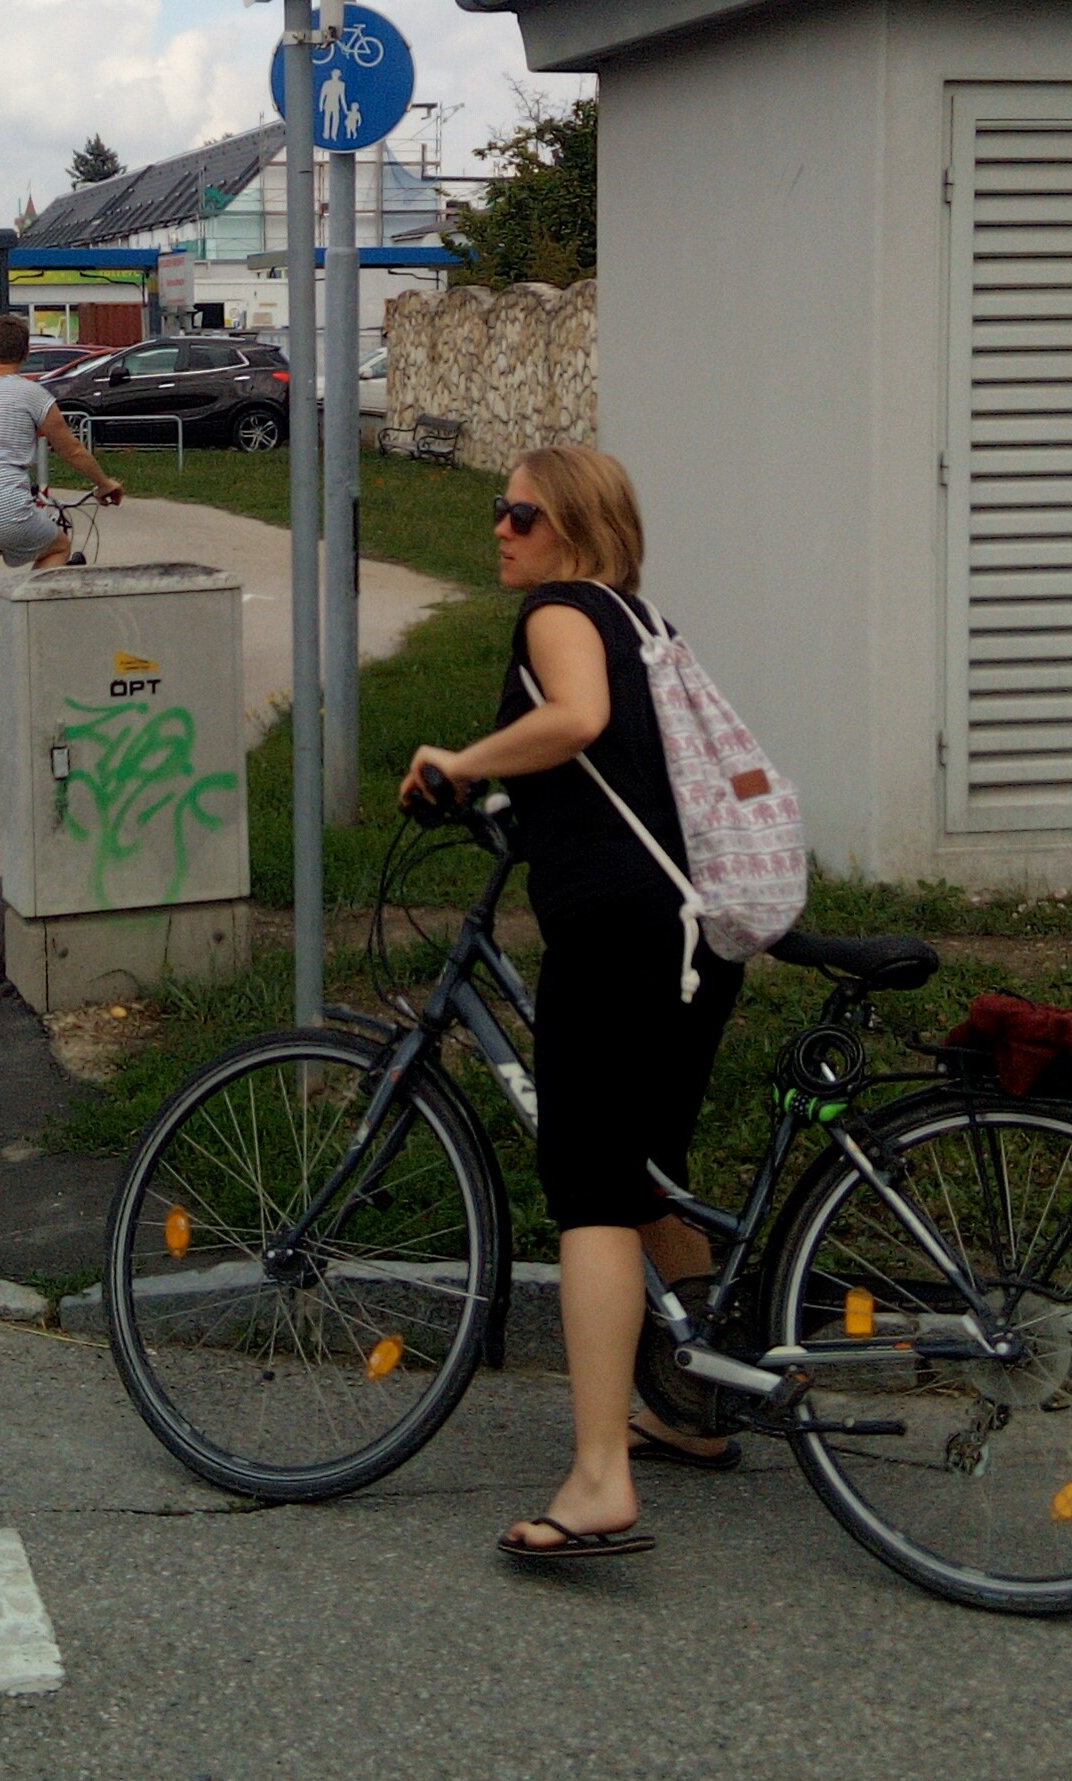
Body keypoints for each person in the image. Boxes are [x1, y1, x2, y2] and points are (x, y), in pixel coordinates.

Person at [399, 446, 746, 1561]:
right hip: (697, 932)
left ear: (574, 528)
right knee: (647, 1177)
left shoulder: (559, 613)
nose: (499, 528)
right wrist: (501, 794)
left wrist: (457, 762)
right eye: (499, 510)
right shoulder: (637, 619)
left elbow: (578, 723)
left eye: (520, 513)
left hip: (621, 937)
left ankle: (599, 1479)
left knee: (590, 1189)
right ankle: (688, 1409)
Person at [0, 315, 122, 597]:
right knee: (58, 545)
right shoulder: (33, 395)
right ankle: (20, 613)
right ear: (26, 353)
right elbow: (72, 450)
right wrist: (104, 484)